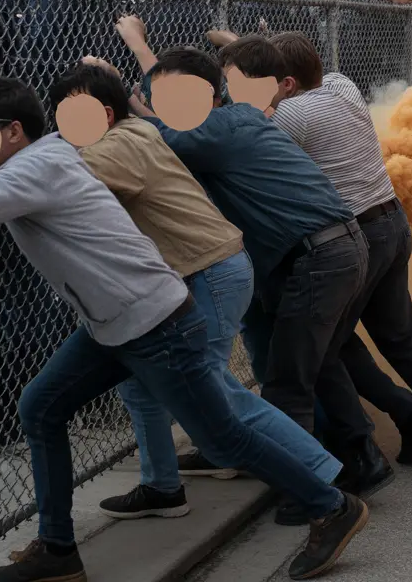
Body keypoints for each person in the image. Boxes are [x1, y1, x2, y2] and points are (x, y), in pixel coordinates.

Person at [0, 77, 369, 582]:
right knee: (41, 407)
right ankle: (58, 550)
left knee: (222, 439)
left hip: (155, 323)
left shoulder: (34, 170)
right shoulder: (37, 160)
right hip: (117, 323)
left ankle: (330, 505)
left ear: (12, 130)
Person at [49, 61, 344, 521]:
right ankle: (162, 486)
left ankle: (321, 478)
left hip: (207, 272)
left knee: (214, 391)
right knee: (138, 385)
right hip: (196, 272)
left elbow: (53, 183)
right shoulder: (139, 131)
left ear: (105, 114)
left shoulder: (115, 148)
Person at [126, 44, 394, 504]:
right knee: (310, 361)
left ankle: (308, 495)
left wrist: (125, 94)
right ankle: (363, 453)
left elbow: (158, 139)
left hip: (320, 255)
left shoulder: (212, 129)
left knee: (288, 379)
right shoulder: (238, 117)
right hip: (331, 248)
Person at [268, 32, 412, 466]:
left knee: (327, 347)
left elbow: (248, 130)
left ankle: (399, 420)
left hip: (357, 237)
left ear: (288, 84)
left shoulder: (289, 116)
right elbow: (307, 74)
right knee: (400, 337)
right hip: (391, 221)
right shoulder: (342, 87)